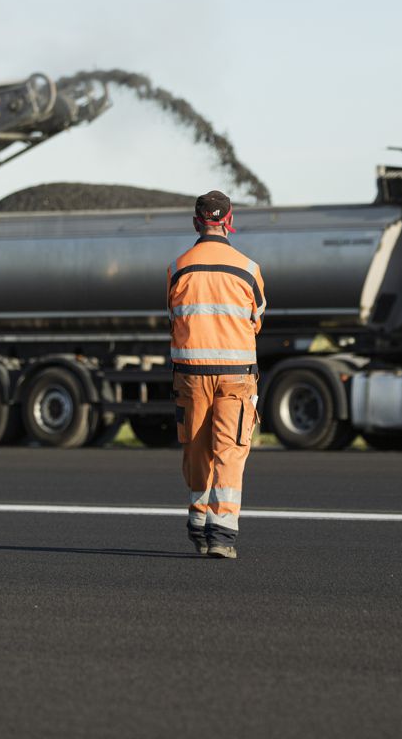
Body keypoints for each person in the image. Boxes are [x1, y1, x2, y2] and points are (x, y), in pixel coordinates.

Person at [166, 190, 265, 559]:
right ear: (229, 223)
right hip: (236, 376)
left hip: (191, 375)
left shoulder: (179, 268)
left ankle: (197, 516)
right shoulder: (249, 269)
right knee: (230, 451)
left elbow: (174, 319)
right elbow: (256, 322)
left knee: (196, 447)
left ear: (196, 222)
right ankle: (222, 534)